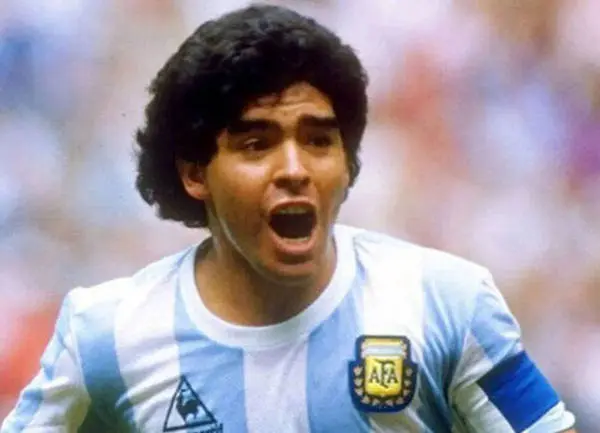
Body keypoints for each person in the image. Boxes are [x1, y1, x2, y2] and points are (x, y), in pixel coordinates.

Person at [2, 5, 577, 433]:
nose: (296, 169)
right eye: (257, 144)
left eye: (319, 140)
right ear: (195, 173)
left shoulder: (447, 303)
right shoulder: (106, 335)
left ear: (347, 164)